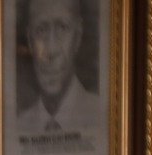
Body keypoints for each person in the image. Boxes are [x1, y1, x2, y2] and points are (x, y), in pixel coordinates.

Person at [16, 0, 102, 134]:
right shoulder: (18, 126)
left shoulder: (102, 118)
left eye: (62, 28)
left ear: (78, 36)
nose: (51, 50)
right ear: (30, 41)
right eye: (41, 30)